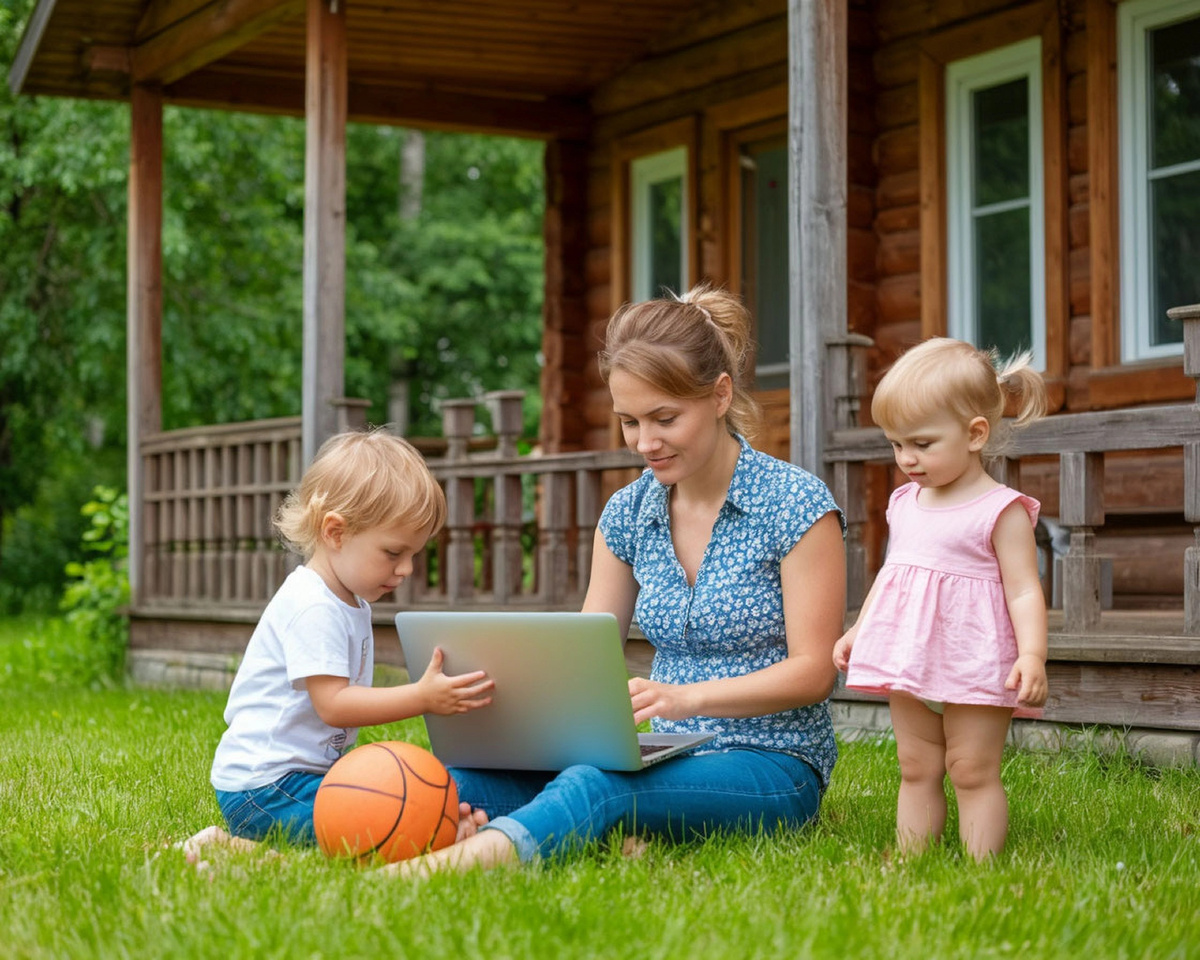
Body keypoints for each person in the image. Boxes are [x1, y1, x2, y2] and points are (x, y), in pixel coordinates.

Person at [383, 284, 846, 878]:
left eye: (664, 419)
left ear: (720, 395)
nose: (644, 443)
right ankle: (283, 842)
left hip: (770, 762)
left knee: (595, 785)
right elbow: (584, 655)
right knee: (447, 781)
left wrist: (686, 698)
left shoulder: (795, 504)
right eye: (629, 421)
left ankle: (451, 869)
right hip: (654, 752)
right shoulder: (627, 514)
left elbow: (814, 671)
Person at [183, 430, 494, 860]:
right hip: (266, 789)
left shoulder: (348, 600)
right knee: (388, 830)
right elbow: (335, 705)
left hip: (303, 779)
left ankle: (445, 826)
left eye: (413, 555)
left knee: (412, 805)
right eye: (392, 552)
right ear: (335, 532)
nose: (405, 569)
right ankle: (230, 849)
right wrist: (422, 697)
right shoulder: (313, 605)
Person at [832, 337, 1049, 862]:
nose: (906, 458)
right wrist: (861, 628)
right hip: (910, 649)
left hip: (975, 655)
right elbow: (894, 571)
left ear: (975, 434)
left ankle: (981, 869)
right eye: (896, 444)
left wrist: (1033, 655)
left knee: (971, 768)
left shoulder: (1002, 510)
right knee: (916, 763)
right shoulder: (906, 501)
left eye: (922, 444)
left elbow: (1024, 588)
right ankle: (913, 862)